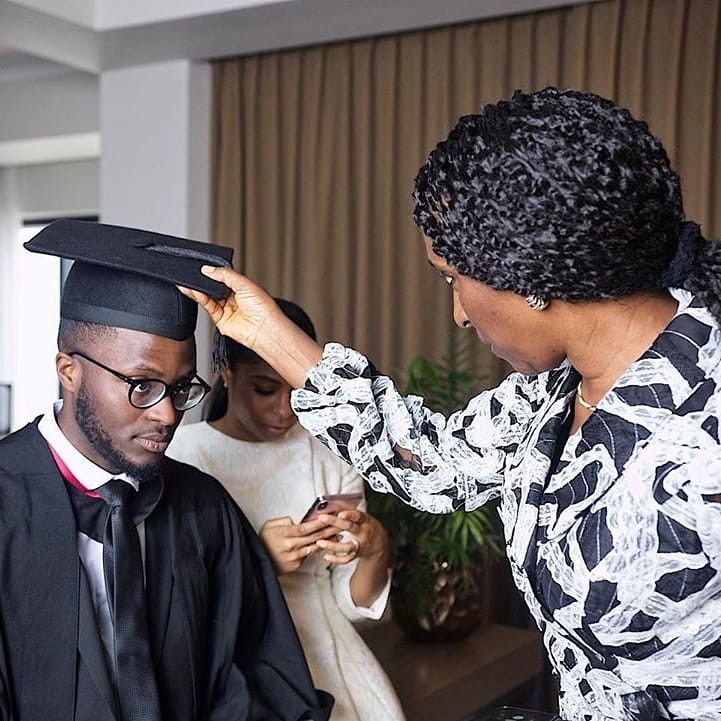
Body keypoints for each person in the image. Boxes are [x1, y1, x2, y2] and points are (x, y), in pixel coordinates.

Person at [179, 87, 721, 721]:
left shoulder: (703, 425)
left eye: (453, 279)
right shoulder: (551, 392)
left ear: (530, 275)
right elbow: (434, 462)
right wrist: (268, 333)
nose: (459, 314)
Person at [0, 219, 333, 721]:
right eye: (142, 384)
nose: (167, 413)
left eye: (181, 388)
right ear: (69, 370)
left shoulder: (203, 508)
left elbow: (262, 681)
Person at [167, 299, 406, 721]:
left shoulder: (328, 458)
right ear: (227, 371)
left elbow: (353, 606)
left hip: (332, 661)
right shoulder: (183, 457)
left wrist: (374, 550)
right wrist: (257, 562)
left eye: (297, 391)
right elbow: (169, 601)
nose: (284, 410)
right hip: (230, 672)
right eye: (264, 389)